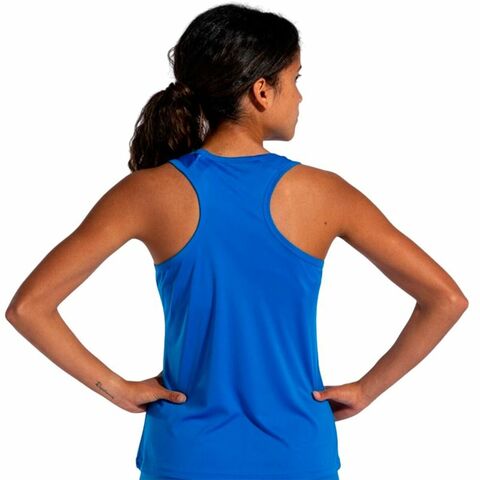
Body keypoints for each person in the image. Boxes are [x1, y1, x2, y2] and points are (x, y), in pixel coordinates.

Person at [5, 3, 468, 480]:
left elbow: (29, 307)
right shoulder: (325, 195)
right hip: (295, 456)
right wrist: (368, 390)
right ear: (262, 91)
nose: (300, 96)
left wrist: (116, 389)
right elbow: (445, 299)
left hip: (185, 457)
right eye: (296, 79)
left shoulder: (147, 192)